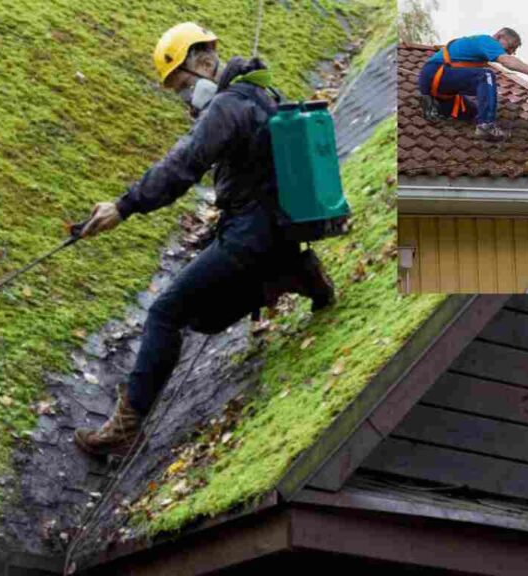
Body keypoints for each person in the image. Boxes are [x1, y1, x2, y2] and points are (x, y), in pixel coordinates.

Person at [72, 22, 335, 456]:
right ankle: (295, 272)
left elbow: (183, 164)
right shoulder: (259, 93)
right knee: (205, 318)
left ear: (204, 62)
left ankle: (126, 425)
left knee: (164, 313)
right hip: (278, 230)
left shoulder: (227, 107)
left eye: (180, 86)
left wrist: (124, 206)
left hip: (250, 234)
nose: (182, 97)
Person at [417, 27, 528, 141]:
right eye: (511, 47)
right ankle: (486, 125)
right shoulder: (487, 41)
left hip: (437, 86)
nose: (510, 52)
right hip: (436, 73)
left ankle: (435, 106)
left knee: (473, 112)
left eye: (514, 50)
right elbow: (507, 61)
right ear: (499, 36)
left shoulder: (476, 48)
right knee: (486, 76)